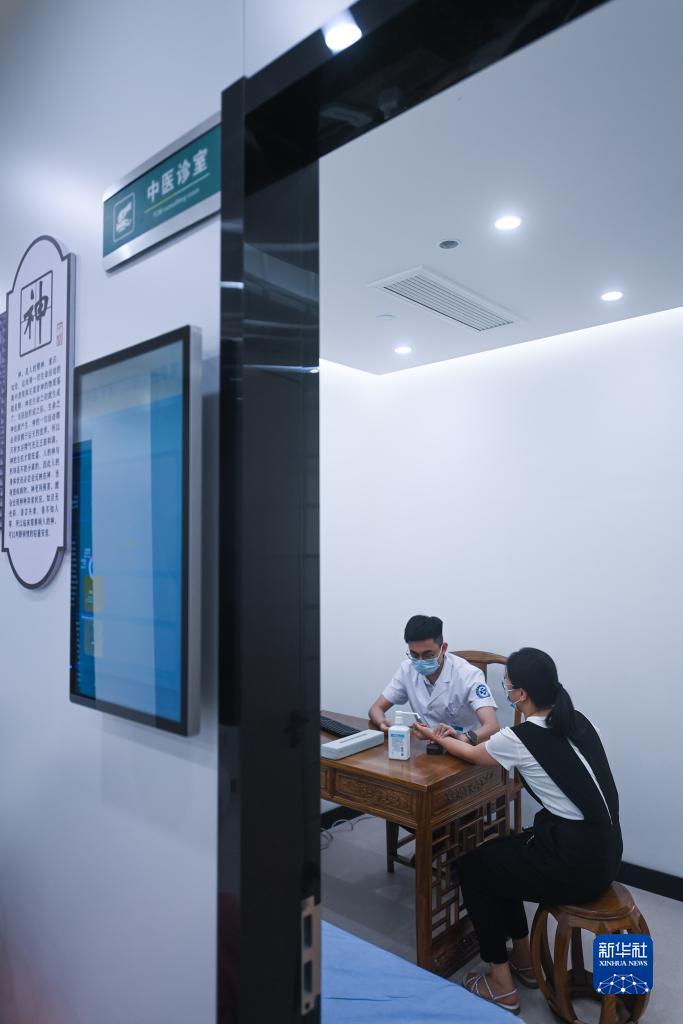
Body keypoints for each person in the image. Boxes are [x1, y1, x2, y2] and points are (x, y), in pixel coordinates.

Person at [413, 647, 622, 1016]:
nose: (506, 692)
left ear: (521, 694)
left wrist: (437, 736)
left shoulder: (520, 737)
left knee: (473, 870)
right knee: (501, 853)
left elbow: (474, 755)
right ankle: (523, 961)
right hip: (607, 853)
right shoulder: (581, 721)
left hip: (573, 864)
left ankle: (501, 985)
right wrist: (461, 735)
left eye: (508, 686)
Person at [368, 614, 499, 742]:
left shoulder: (469, 675)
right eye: (414, 655)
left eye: (428, 655)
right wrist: (381, 722)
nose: (420, 661)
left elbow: (492, 726)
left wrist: (463, 738)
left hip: (465, 747)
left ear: (443, 648)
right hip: (426, 746)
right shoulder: (407, 669)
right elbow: (375, 709)